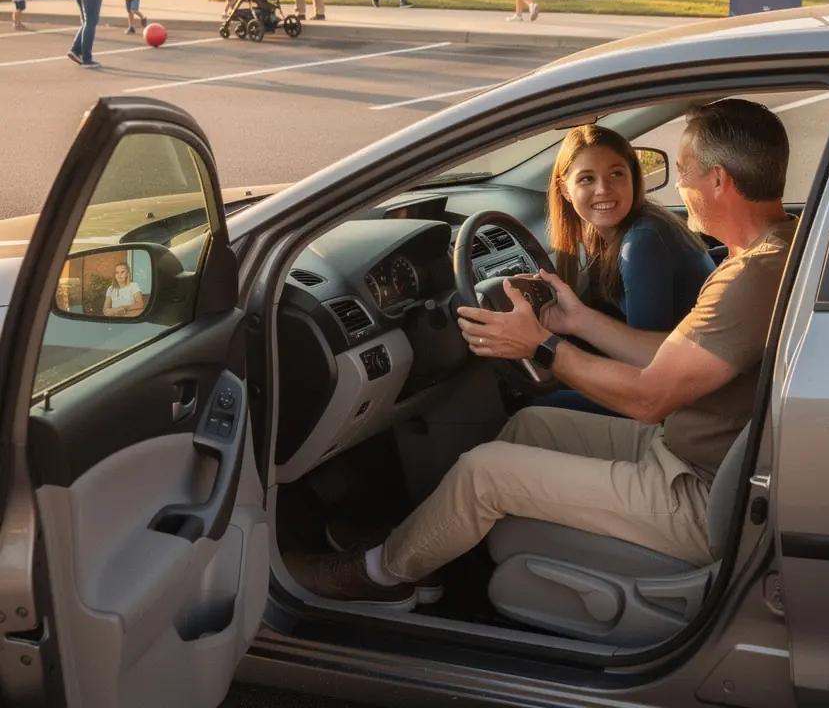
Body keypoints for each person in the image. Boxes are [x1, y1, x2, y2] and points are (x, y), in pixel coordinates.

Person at [283, 99, 797, 607]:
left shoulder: (749, 277)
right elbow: (671, 354)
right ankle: (431, 558)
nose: (679, 184)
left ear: (719, 180)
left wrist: (542, 346)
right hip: (689, 454)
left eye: (683, 170)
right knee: (530, 427)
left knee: (485, 470)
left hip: (696, 496)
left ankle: (382, 574)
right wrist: (576, 320)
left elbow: (649, 399)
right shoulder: (772, 250)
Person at [535, 125, 714, 416]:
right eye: (587, 179)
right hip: (682, 381)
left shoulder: (642, 241)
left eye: (616, 174)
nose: (603, 189)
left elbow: (647, 367)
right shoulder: (619, 231)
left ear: (634, 178)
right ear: (565, 190)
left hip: (688, 403)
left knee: (537, 406)